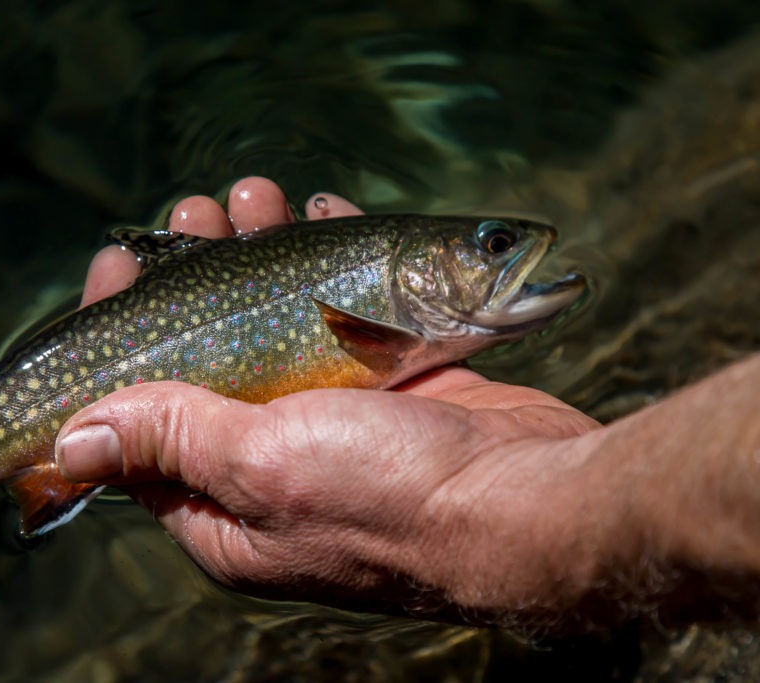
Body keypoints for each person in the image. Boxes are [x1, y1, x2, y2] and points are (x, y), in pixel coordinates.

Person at [54, 176, 760, 633]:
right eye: (496, 245)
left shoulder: (403, 326)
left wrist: (472, 502)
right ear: (415, 268)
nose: (516, 251)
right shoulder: (388, 328)